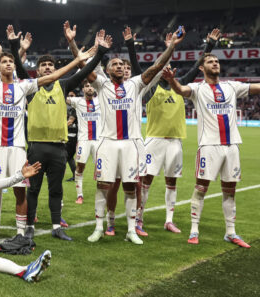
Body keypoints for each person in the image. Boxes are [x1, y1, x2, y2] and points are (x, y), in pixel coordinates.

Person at [0, 40, 99, 246]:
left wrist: (78, 60)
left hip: (18, 148)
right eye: (5, 61)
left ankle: (20, 232)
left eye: (11, 61)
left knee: (20, 190)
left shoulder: (24, 86)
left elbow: (54, 76)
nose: (9, 64)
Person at [163, 56, 260, 247]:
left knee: (230, 192)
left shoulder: (232, 86)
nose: (215, 63)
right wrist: (171, 80)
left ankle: (231, 233)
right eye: (210, 61)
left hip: (232, 146)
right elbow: (181, 90)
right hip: (209, 146)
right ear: (201, 67)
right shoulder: (197, 89)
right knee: (200, 189)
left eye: (216, 61)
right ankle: (194, 230)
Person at [83, 27, 184, 245]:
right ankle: (100, 227)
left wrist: (172, 47)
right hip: (107, 143)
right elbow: (83, 67)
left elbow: (157, 66)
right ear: (108, 70)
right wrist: (82, 46)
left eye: (122, 65)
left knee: (130, 187)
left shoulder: (136, 84)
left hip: (131, 145)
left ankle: (131, 230)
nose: (119, 67)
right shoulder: (101, 84)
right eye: (115, 64)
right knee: (103, 186)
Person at [16, 27, 111, 241]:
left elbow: (85, 73)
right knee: (33, 189)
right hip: (37, 146)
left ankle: (57, 226)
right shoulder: (30, 87)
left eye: (50, 65)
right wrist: (18, 48)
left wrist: (101, 54)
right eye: (43, 66)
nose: (47, 68)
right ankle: (29, 226)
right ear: (37, 71)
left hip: (59, 147)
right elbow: (19, 68)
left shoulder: (63, 84)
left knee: (56, 189)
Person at [130, 28, 220, 234]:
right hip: (154, 140)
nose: (167, 69)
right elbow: (138, 71)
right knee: (146, 181)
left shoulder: (181, 86)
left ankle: (169, 220)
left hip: (175, 142)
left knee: (172, 182)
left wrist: (210, 46)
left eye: (170, 66)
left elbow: (198, 67)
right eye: (163, 66)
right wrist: (131, 47)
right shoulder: (151, 89)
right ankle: (138, 219)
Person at [67, 80, 101, 205]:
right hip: (83, 140)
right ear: (83, 90)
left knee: (102, 170)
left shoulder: (100, 100)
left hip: (99, 141)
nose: (90, 88)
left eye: (91, 86)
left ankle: (101, 195)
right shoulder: (78, 101)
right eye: (87, 86)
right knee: (80, 167)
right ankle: (79, 195)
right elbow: (61, 97)